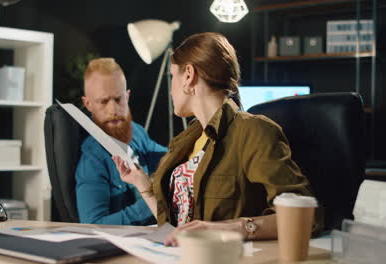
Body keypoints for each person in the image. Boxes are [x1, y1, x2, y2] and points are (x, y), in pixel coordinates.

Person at [112, 32, 322, 245]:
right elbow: (179, 226)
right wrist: (143, 185)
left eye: (172, 76)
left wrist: (229, 228)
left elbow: (307, 218)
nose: (171, 88)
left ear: (188, 75)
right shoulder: (185, 141)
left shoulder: (252, 131)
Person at [75, 58, 167, 225]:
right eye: (103, 102)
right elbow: (92, 225)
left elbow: (167, 156)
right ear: (87, 104)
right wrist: (152, 202)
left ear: (127, 96)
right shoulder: (92, 161)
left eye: (118, 99)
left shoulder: (136, 132)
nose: (113, 110)